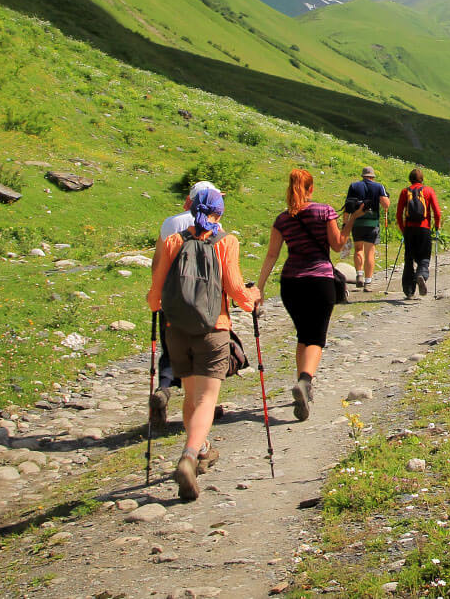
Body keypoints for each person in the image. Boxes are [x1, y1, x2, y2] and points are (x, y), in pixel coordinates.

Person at [145, 187, 259, 502]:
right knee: (207, 400)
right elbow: (236, 289)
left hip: (177, 331)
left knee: (192, 397)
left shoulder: (173, 241)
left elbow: (155, 296)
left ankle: (203, 450)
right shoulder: (226, 242)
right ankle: (190, 454)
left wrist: (158, 307)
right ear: (219, 214)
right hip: (214, 328)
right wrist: (253, 300)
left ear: (191, 208)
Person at [254, 169, 345, 422]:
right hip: (319, 280)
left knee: (303, 334)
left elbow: (272, 255)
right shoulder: (325, 211)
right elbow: (338, 246)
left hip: (291, 283)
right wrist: (349, 221)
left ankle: (304, 385)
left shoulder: (282, 220)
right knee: (316, 338)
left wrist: (259, 288)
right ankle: (305, 381)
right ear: (311, 189)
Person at [150, 180, 216, 429]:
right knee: (202, 352)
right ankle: (204, 403)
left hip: (172, 297)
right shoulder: (214, 226)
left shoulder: (170, 223)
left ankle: (164, 389)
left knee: (171, 348)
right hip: (202, 300)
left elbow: (158, 261)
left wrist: (156, 293)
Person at [395, 168, 442, 297]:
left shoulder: (405, 191)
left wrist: (403, 229)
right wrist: (437, 226)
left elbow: (399, 214)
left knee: (409, 258)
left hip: (410, 229)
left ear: (410, 178)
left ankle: (409, 291)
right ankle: (421, 274)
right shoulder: (428, 191)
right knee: (424, 257)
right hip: (424, 229)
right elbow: (437, 212)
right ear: (422, 179)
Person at [341, 166, 389, 292]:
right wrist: (384, 197)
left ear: (363, 176)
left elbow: (348, 206)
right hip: (372, 223)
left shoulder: (354, 186)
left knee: (358, 249)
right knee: (370, 253)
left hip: (356, 223)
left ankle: (359, 275)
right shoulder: (379, 187)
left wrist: (345, 224)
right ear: (372, 177)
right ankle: (368, 282)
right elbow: (386, 205)